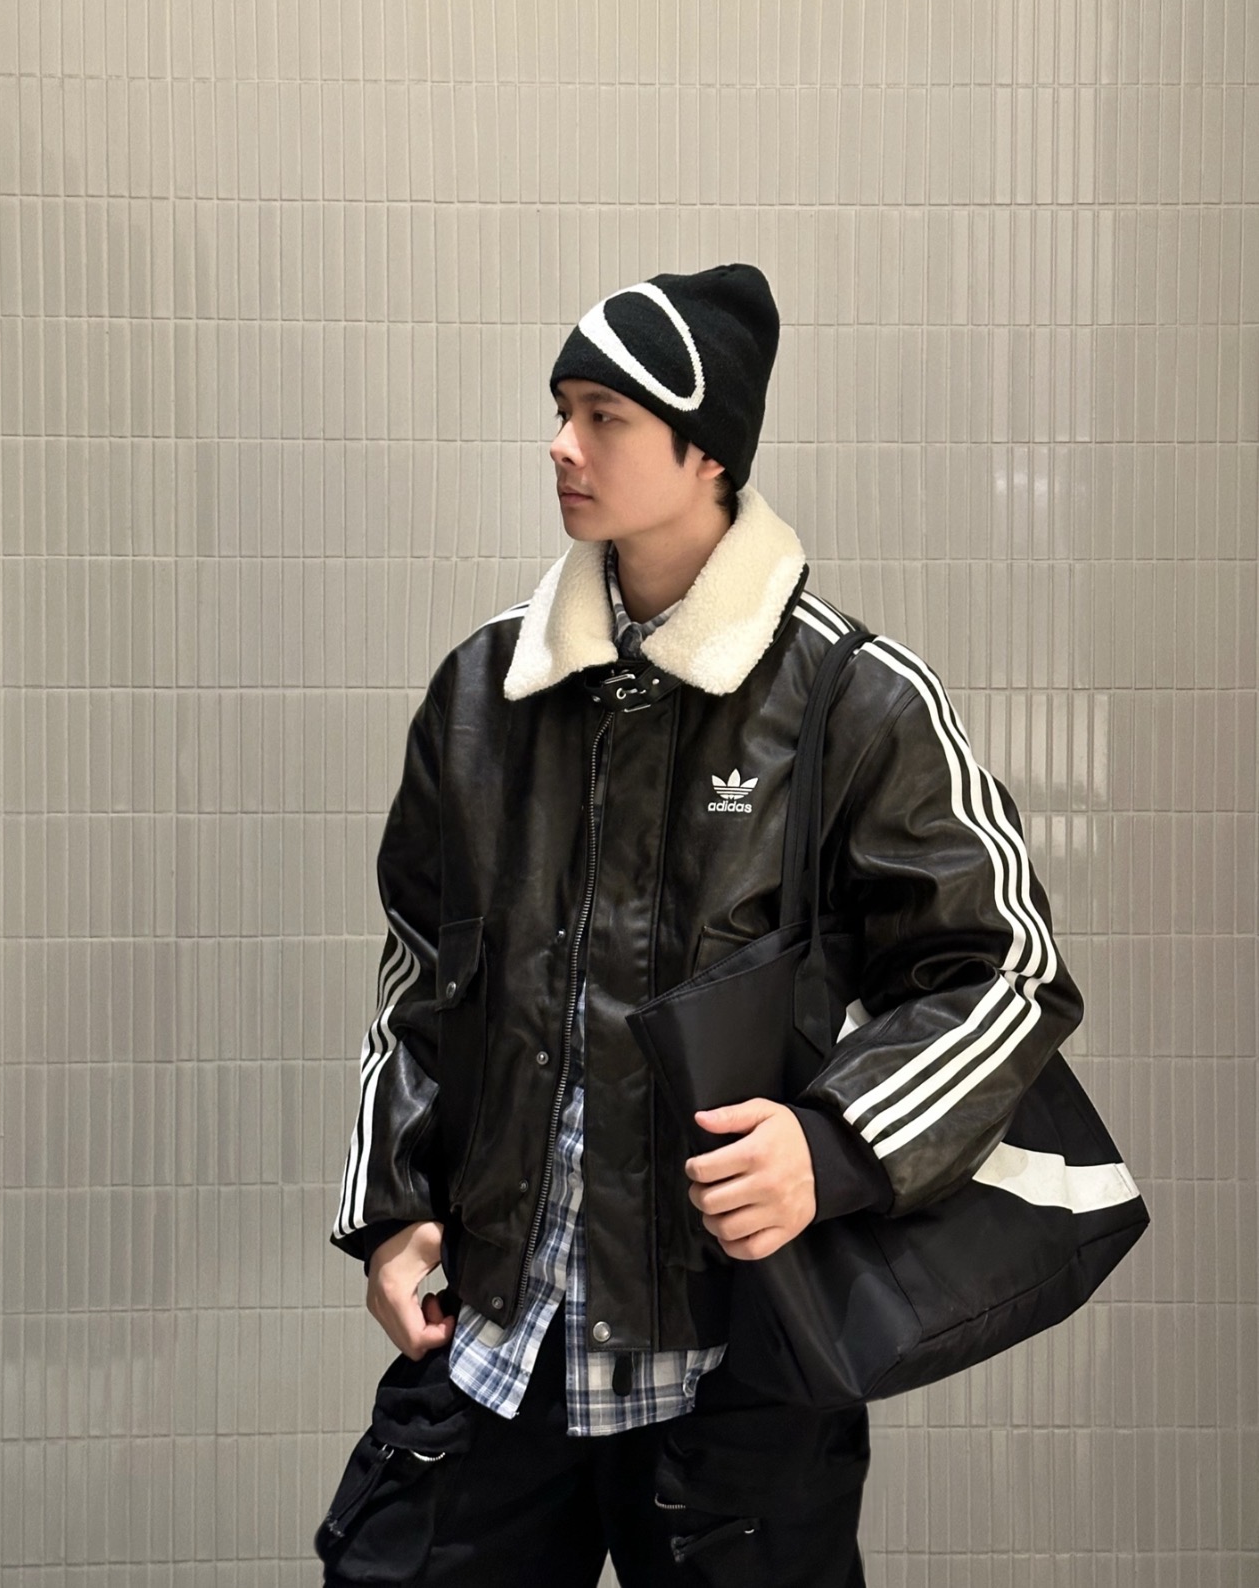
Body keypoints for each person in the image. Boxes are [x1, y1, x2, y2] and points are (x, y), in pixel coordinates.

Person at [319, 264, 1083, 1586]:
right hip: (495, 1351)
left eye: (605, 416)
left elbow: (1007, 972)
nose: (562, 446)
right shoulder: (486, 691)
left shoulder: (853, 699)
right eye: (561, 409)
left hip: (731, 1376)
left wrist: (833, 1146)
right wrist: (392, 1211)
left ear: (708, 449)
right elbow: (419, 974)